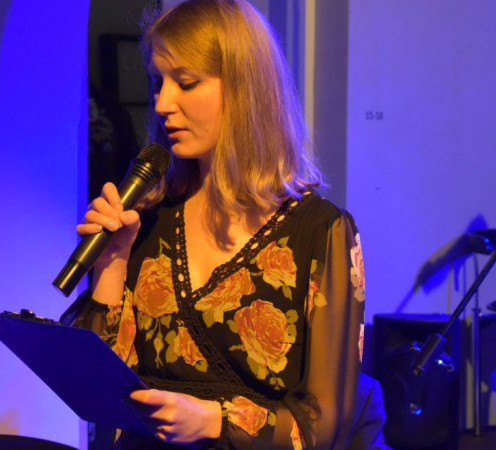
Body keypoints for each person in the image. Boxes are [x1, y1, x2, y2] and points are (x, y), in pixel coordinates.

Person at [61, 0, 365, 448]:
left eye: (186, 83)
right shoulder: (148, 219)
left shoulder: (320, 232)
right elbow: (96, 391)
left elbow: (324, 426)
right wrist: (111, 263)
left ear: (245, 89)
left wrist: (214, 421)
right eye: (158, 83)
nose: (163, 103)